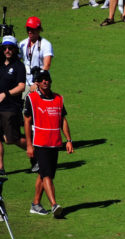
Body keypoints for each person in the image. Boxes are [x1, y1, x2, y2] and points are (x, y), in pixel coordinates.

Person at [24, 70, 73, 217]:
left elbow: (62, 120)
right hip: (40, 143)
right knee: (47, 176)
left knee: (45, 174)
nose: (45, 82)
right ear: (37, 83)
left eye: (47, 79)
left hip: (55, 143)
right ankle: (54, 205)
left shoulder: (58, 98)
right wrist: (29, 145)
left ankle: (36, 204)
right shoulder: (31, 98)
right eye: (42, 79)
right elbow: (27, 121)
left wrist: (68, 140)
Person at [0, 36, 27, 179]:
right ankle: (0, 168)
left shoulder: (18, 66)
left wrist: (6, 94)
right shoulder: (0, 64)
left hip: (10, 107)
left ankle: (33, 151)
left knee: (12, 139)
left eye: (10, 48)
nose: (7, 51)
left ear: (15, 49)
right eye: (5, 48)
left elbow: (21, 86)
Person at [19, 17, 54, 99]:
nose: (29, 31)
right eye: (28, 29)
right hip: (26, 82)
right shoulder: (22, 44)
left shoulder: (46, 44)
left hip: (41, 83)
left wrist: (37, 83)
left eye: (32, 29)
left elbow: (47, 65)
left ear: (39, 30)